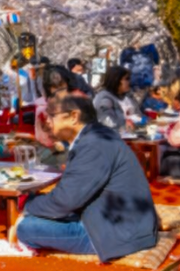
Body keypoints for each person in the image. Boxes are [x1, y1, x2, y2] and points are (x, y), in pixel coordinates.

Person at [10, 95, 158, 260]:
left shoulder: (94, 144)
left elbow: (65, 201)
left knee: (25, 227)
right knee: (37, 214)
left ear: (74, 117)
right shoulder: (96, 136)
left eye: (52, 116)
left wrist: (28, 206)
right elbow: (69, 196)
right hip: (117, 223)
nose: (48, 122)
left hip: (114, 235)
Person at [93, 66, 135, 133]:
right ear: (116, 80)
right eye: (127, 79)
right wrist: (124, 125)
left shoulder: (123, 96)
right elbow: (106, 120)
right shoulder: (105, 98)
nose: (129, 82)